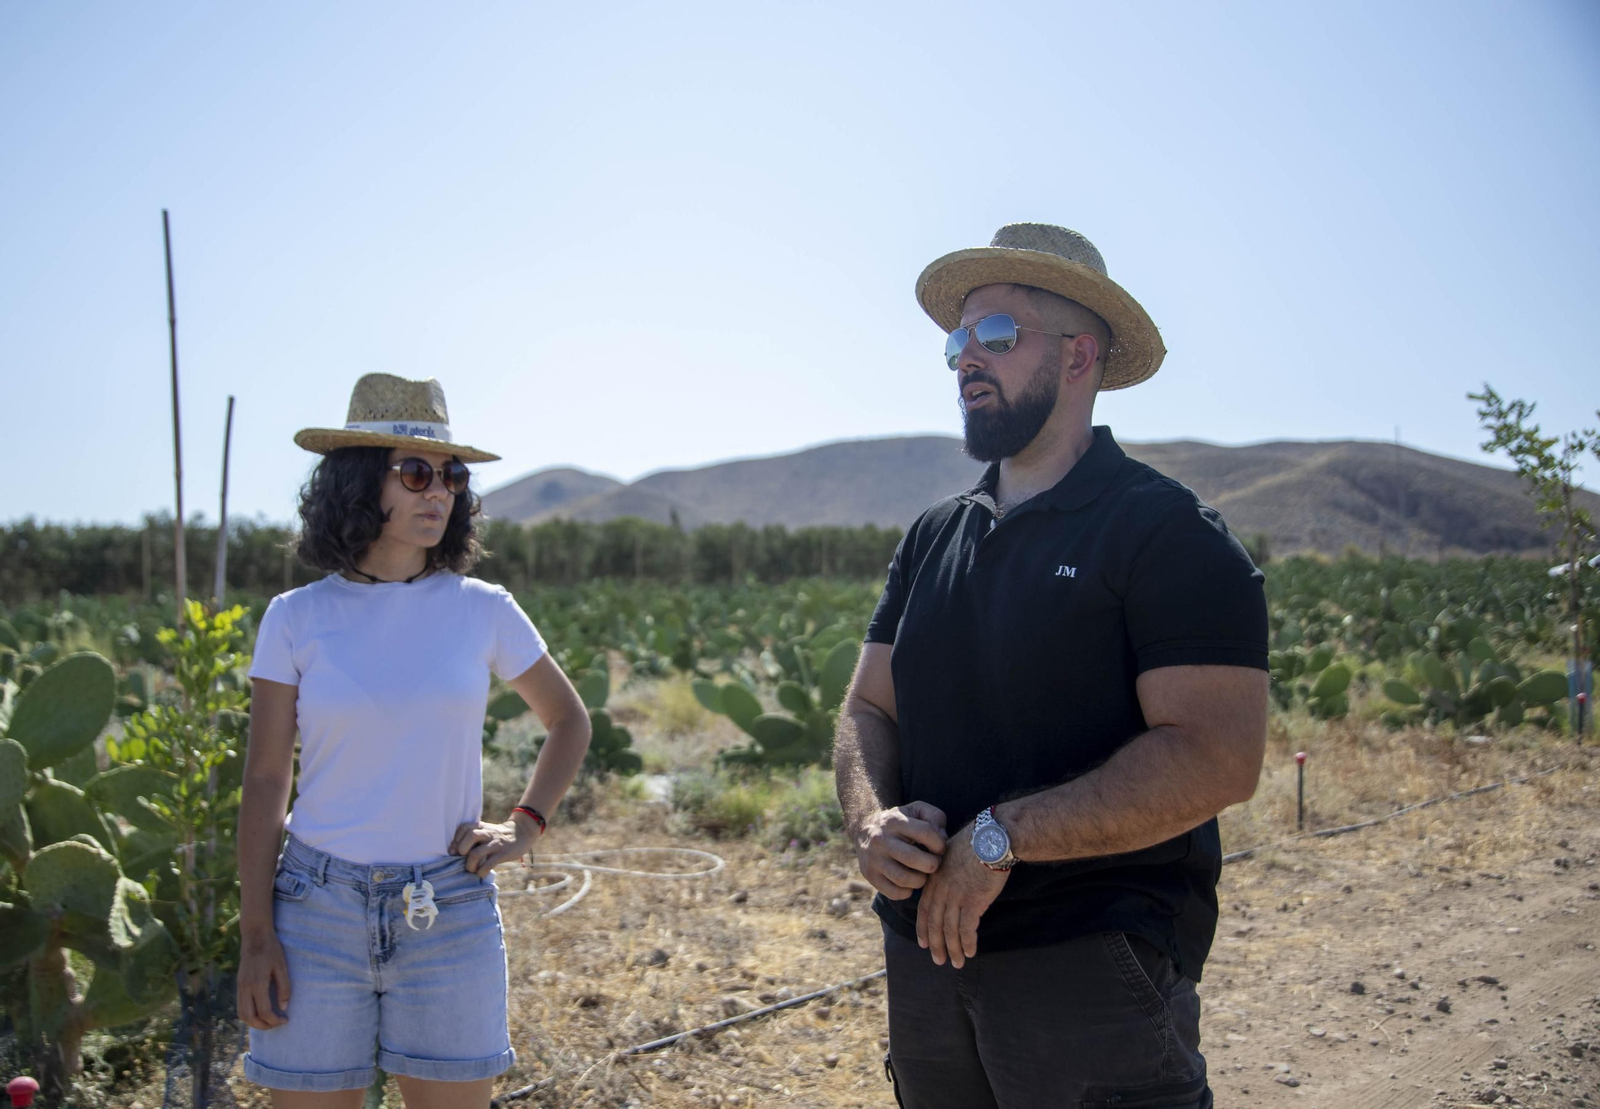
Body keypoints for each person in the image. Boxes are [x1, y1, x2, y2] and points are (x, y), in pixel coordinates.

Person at [835, 224, 1269, 1108]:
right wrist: (872, 819)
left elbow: (1218, 756)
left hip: (1088, 964)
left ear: (1081, 356)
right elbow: (865, 711)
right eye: (959, 340)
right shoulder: (933, 536)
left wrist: (1001, 837)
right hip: (923, 953)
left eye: (997, 334)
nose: (965, 358)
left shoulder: (1167, 534)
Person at [236, 373, 592, 1108]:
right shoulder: (295, 617)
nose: (441, 491)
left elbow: (568, 719)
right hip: (314, 910)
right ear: (362, 482)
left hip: (448, 907)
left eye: (453, 475)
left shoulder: (483, 609)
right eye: (418, 472)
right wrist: (256, 932)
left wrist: (526, 825)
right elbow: (268, 779)